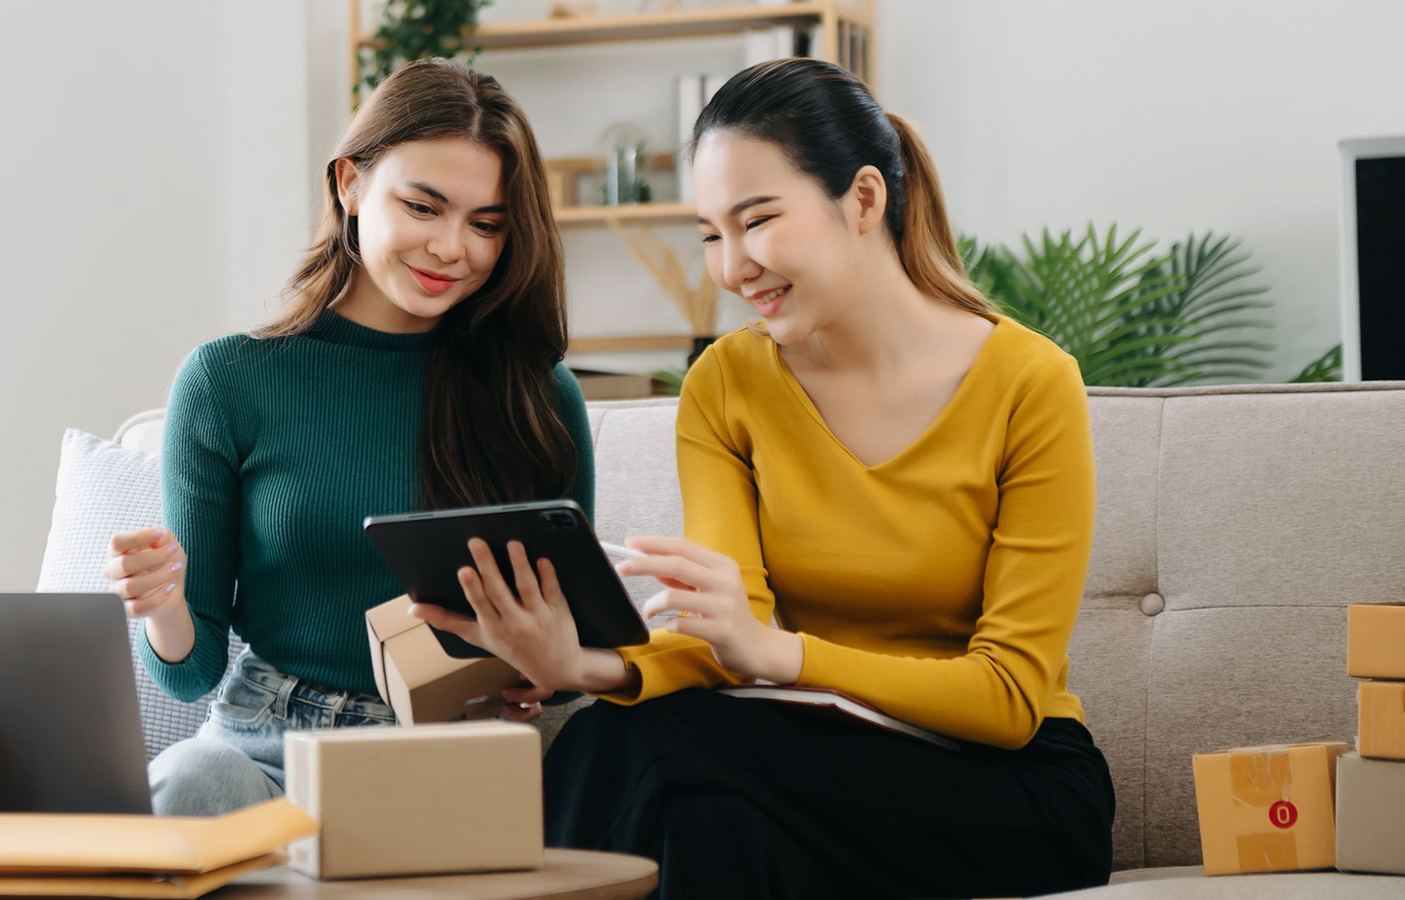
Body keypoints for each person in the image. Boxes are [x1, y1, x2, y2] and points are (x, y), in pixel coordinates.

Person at [412, 58, 1114, 899]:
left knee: (647, 752)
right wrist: (577, 666)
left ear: (862, 199)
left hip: (1011, 785)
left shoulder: (1032, 383)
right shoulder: (726, 385)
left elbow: (1007, 697)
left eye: (757, 221)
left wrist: (779, 654)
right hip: (817, 768)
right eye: (711, 233)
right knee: (698, 814)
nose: (732, 265)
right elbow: (719, 633)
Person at [105, 58, 595, 817]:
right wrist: (164, 603)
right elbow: (190, 669)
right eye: (423, 207)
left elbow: (572, 652)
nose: (450, 248)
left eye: (486, 224)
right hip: (268, 745)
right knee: (189, 786)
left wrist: (544, 664)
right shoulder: (228, 381)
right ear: (349, 184)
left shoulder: (537, 396)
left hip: (457, 747)